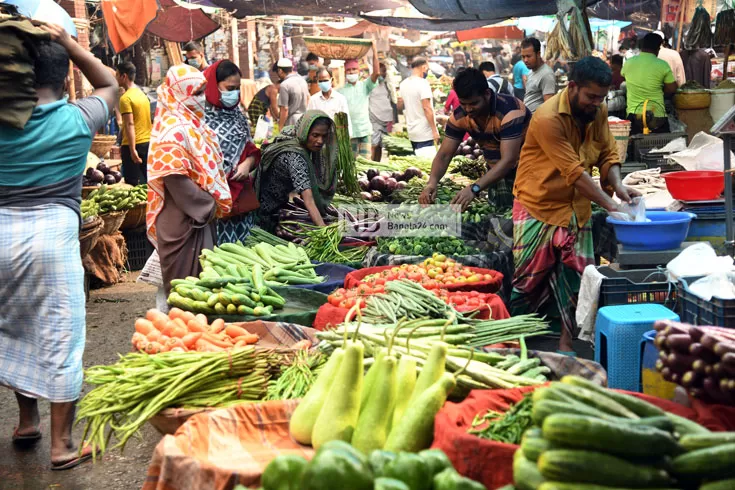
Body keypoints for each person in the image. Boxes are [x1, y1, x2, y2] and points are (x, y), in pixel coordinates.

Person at [0, 24, 117, 470]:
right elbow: (109, 82)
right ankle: (62, 444)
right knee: (58, 334)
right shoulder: (77, 118)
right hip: (51, 235)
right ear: (64, 77)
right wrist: (70, 42)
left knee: (13, 326)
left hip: (1, 231)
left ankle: (26, 421)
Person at [510, 56, 640, 355]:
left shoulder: (598, 110)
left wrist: (618, 186)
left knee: (578, 280)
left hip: (576, 207)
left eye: (601, 97)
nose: (596, 103)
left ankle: (566, 344)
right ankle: (515, 342)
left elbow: (608, 153)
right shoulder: (547, 118)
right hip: (537, 204)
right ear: (572, 87)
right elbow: (574, 172)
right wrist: (609, 204)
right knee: (528, 280)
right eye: (591, 96)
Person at [147, 64, 232, 295]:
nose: (201, 99)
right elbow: (175, 178)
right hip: (182, 221)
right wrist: (209, 204)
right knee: (185, 292)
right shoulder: (172, 129)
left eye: (203, 92)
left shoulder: (193, 125)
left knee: (201, 290)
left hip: (197, 218)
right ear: (179, 93)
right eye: (196, 93)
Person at [419, 68, 531, 212]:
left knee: (521, 223)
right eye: (463, 103)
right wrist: (432, 183)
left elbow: (508, 160)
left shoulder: (510, 111)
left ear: (487, 94)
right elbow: (444, 154)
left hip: (528, 173)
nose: (468, 109)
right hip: (496, 173)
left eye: (473, 103)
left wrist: (475, 188)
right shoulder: (460, 116)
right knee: (498, 220)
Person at [203, 60, 261, 245]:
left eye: (237, 88)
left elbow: (251, 149)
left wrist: (247, 164)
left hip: (241, 199)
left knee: (244, 253)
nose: (234, 93)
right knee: (219, 254)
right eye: (229, 88)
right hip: (212, 202)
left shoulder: (238, 116)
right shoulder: (199, 118)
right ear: (214, 85)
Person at [256, 110, 337, 231]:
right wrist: (323, 230)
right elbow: (308, 199)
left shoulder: (292, 133)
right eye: (315, 135)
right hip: (266, 209)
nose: (320, 141)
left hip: (277, 202)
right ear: (304, 132)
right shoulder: (295, 156)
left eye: (324, 136)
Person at [622, 33, 678, 134]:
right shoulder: (662, 65)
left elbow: (624, 76)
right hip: (657, 115)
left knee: (634, 146)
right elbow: (672, 89)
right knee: (663, 147)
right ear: (658, 48)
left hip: (634, 114)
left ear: (642, 46)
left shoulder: (629, 62)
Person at [339, 41, 380, 159]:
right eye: (349, 70)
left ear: (359, 71)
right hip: (350, 133)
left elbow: (376, 73)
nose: (351, 72)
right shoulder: (340, 91)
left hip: (364, 130)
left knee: (366, 164)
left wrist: (375, 51)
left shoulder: (364, 86)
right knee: (351, 164)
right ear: (345, 72)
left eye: (354, 69)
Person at [116, 61, 151, 186]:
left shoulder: (125, 98)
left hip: (132, 144)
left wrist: (132, 150)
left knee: (132, 186)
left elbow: (129, 124)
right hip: (147, 143)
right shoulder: (142, 94)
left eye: (117, 75)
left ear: (123, 76)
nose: (116, 78)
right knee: (149, 183)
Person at [399, 57, 440, 159]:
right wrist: (434, 130)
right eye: (427, 68)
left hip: (412, 131)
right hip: (424, 132)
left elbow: (401, 105)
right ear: (423, 67)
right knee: (428, 165)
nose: (427, 71)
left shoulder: (403, 84)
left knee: (420, 164)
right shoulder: (423, 83)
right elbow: (427, 108)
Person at [368, 62, 396, 162]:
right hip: (374, 118)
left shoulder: (386, 84)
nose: (382, 74)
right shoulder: (370, 85)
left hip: (385, 119)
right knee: (374, 144)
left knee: (380, 145)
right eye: (380, 72)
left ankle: (377, 164)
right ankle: (371, 165)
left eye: (384, 72)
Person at [521, 37, 556, 113]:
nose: (525, 60)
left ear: (538, 54)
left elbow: (549, 106)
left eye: (528, 56)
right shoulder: (531, 72)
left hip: (536, 121)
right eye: (523, 57)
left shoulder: (546, 74)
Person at [276, 57, 310, 130]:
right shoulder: (302, 81)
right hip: (304, 119)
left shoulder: (285, 85)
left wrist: (280, 127)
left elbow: (284, 109)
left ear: (280, 70)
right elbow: (308, 98)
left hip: (291, 122)